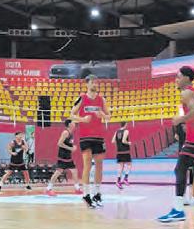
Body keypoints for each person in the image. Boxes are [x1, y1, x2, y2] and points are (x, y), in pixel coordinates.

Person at [157, 66, 194, 223]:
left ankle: (178, 210)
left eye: (178, 77)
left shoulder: (186, 93)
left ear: (186, 78)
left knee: (180, 168)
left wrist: (181, 119)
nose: (176, 80)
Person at [70, 75, 110, 208]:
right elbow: (71, 114)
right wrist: (82, 119)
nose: (95, 84)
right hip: (85, 136)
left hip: (99, 136)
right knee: (87, 164)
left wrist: (103, 115)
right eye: (92, 82)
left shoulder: (101, 99)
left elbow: (109, 116)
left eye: (96, 82)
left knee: (99, 164)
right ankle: (86, 195)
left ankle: (97, 193)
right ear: (87, 84)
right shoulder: (81, 98)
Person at [46, 119, 83, 196]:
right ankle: (48, 189)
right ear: (69, 124)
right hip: (63, 156)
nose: (74, 123)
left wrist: (72, 147)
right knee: (58, 172)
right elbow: (59, 143)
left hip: (68, 156)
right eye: (73, 122)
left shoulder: (71, 133)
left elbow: (67, 143)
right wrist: (71, 148)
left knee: (74, 171)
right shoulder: (65, 132)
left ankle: (77, 189)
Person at [112, 122, 132, 189]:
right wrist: (128, 143)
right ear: (125, 124)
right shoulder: (126, 131)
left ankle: (118, 181)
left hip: (119, 151)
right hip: (125, 151)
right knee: (129, 164)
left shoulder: (117, 132)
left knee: (121, 167)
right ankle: (125, 178)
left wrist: (118, 145)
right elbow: (123, 141)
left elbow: (113, 141)